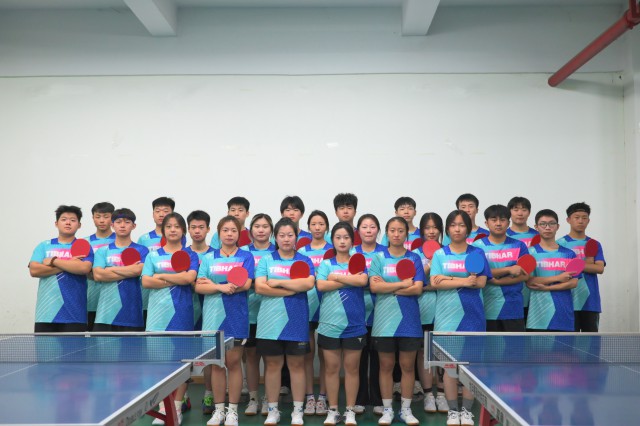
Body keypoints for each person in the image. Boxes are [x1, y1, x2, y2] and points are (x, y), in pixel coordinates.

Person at [431, 210, 492, 426]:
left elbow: (481, 282)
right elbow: (435, 282)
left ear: (468, 228)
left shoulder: (477, 252)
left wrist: (448, 278)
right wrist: (464, 281)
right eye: (453, 225)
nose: (457, 229)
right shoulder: (440, 254)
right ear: (447, 229)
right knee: (449, 367)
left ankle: (466, 411)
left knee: (470, 367)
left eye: (462, 225)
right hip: (447, 316)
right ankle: (452, 411)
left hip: (473, 315)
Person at [255, 218, 315, 426]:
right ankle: (273, 410)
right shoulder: (266, 260)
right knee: (272, 366)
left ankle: (298, 411)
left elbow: (308, 283)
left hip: (296, 320)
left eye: (290, 235)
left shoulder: (304, 261)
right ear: (275, 237)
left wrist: (279, 283)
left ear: (296, 237)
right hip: (269, 322)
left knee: (297, 365)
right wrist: (291, 289)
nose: (286, 239)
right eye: (282, 235)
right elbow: (260, 287)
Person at [196, 216, 255, 426]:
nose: (229, 234)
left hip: (236, 317)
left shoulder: (246, 256)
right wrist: (220, 287)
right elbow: (199, 286)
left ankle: (232, 412)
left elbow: (246, 284)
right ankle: (219, 411)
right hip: (212, 318)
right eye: (225, 230)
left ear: (239, 234)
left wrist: (212, 284)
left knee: (233, 363)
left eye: (233, 230)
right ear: (219, 233)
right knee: (217, 365)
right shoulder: (208, 258)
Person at [142, 212, 198, 425]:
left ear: (183, 230)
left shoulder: (190, 255)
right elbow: (146, 282)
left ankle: (176, 406)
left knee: (181, 364)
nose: (173, 229)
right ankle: (164, 406)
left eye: (177, 226)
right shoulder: (153, 255)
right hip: (157, 316)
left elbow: (189, 278)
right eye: (169, 226)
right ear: (163, 231)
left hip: (182, 313)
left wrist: (161, 276)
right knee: (159, 363)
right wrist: (176, 278)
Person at [370, 217, 424, 426]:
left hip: (409, 320)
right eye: (392, 230)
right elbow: (375, 287)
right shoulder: (378, 258)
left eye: (400, 230)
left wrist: (388, 286)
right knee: (385, 365)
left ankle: (406, 410)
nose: (396, 234)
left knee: (407, 366)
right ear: (387, 233)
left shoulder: (414, 258)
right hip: (384, 321)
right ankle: (387, 410)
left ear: (406, 234)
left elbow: (417, 288)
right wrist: (402, 285)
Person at [316, 222, 368, 426]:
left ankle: (350, 411)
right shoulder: (325, 264)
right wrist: (349, 279)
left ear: (352, 241)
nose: (342, 241)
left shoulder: (358, 261)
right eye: (338, 237)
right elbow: (321, 285)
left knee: (352, 369)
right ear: (333, 240)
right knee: (331, 368)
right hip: (329, 324)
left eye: (346, 237)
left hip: (354, 324)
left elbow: (362, 281)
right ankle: (333, 410)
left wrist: (336, 277)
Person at [29, 205, 94, 332]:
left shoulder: (84, 246)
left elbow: (84, 268)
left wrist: (53, 261)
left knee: (75, 347)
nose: (68, 223)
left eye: (73, 220)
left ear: (79, 225)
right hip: (46, 313)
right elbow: (34, 270)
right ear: (56, 223)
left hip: (75, 314)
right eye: (64, 219)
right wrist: (70, 264)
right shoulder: (44, 246)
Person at [296, 210, 332, 416]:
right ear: (308, 227)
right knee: (308, 355)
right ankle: (310, 397)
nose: (317, 227)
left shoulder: (334, 249)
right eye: (314, 224)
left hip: (328, 307)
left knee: (326, 356)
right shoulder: (301, 252)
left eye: (321, 224)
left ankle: (323, 396)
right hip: (307, 306)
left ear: (326, 227)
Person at [241, 214, 277, 416]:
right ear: (250, 230)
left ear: (271, 230)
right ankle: (253, 398)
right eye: (257, 226)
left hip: (272, 313)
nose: (261, 230)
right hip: (248, 314)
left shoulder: (278, 251)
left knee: (271, 359)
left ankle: (268, 399)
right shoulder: (242, 252)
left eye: (265, 226)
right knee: (252, 357)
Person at [412, 212, 448, 414]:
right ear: (421, 230)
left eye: (435, 227)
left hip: (445, 310)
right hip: (423, 310)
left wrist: (431, 285)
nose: (432, 231)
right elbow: (413, 282)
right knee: (423, 353)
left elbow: (451, 280)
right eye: (427, 227)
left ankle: (442, 394)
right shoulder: (414, 254)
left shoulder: (449, 251)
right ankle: (428, 395)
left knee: (442, 352)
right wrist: (428, 266)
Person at [473, 205, 529, 332]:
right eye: (494, 220)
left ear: (508, 223)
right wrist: (508, 270)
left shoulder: (519, 245)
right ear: (486, 223)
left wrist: (495, 280)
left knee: (514, 345)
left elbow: (525, 275)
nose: (498, 223)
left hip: (513, 308)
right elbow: (476, 274)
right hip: (486, 308)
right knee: (489, 345)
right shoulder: (477, 247)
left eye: (502, 220)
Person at [92, 208, 148, 331]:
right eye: (118, 222)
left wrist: (109, 269)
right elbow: (98, 275)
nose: (122, 225)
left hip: (132, 314)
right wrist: (129, 270)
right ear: (112, 225)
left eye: (127, 222)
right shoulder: (103, 251)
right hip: (105, 315)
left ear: (134, 226)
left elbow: (138, 271)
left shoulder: (142, 250)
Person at [353, 214, 386, 415]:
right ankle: (359, 398)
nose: (368, 230)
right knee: (358, 358)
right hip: (356, 311)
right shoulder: (351, 252)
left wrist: (365, 281)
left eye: (372, 226)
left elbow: (387, 280)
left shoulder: (385, 252)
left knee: (378, 358)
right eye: (364, 227)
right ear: (358, 231)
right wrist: (370, 281)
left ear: (378, 230)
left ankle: (378, 399)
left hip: (381, 310)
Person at [184, 210, 216, 414]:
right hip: (187, 309)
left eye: (201, 227)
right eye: (193, 227)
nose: (197, 231)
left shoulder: (215, 255)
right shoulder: (182, 254)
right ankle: (183, 396)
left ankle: (209, 395)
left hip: (211, 309)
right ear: (188, 229)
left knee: (210, 356)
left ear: (208, 229)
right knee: (185, 354)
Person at [527, 209, 580, 332]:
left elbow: (573, 283)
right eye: (543, 224)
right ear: (536, 227)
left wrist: (546, 287)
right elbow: (530, 281)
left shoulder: (569, 254)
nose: (547, 227)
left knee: (565, 346)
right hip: (538, 316)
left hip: (563, 313)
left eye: (551, 223)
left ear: (558, 226)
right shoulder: (530, 253)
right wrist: (558, 278)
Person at [557, 202, 606, 332]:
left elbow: (599, 268)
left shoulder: (594, 243)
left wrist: (574, 264)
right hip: (567, 299)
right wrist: (589, 264)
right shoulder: (559, 244)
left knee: (591, 342)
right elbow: (559, 270)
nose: (580, 221)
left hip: (590, 301)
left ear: (588, 221)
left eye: (584, 218)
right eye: (577, 217)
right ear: (568, 220)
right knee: (567, 342)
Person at [137, 197, 186, 323]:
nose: (161, 214)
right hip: (151, 297)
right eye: (157, 211)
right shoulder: (144, 239)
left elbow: (183, 268)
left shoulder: (180, 238)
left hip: (176, 297)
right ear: (153, 214)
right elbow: (141, 269)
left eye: (165, 211)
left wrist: (161, 276)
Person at [506, 196, 539, 322]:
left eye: (524, 209)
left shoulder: (539, 235)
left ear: (529, 212)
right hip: (511, 290)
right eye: (516, 209)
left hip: (535, 289)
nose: (520, 213)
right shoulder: (502, 235)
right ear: (509, 212)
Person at [84, 202, 115, 330]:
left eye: (106, 216)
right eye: (98, 217)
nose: (102, 220)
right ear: (93, 218)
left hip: (113, 301)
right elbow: (80, 267)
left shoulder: (121, 240)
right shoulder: (84, 242)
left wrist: (101, 273)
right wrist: (94, 273)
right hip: (90, 300)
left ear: (112, 218)